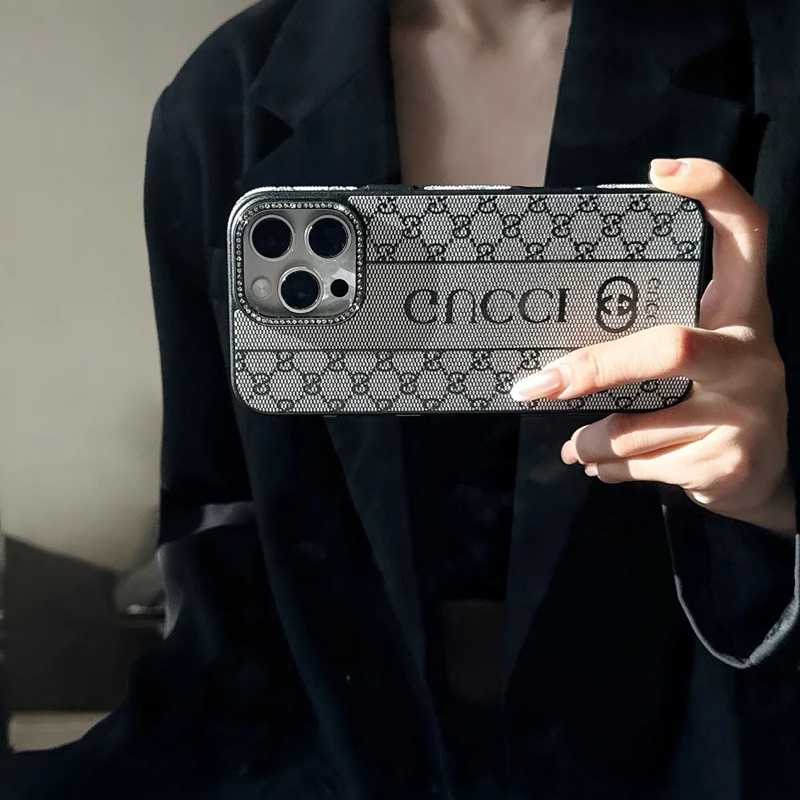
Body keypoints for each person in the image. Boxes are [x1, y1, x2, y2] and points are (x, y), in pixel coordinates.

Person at [11, 0, 800, 797]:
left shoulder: (778, 64)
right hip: (321, 755)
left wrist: (776, 497)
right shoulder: (225, 94)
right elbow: (215, 509)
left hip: (701, 743)